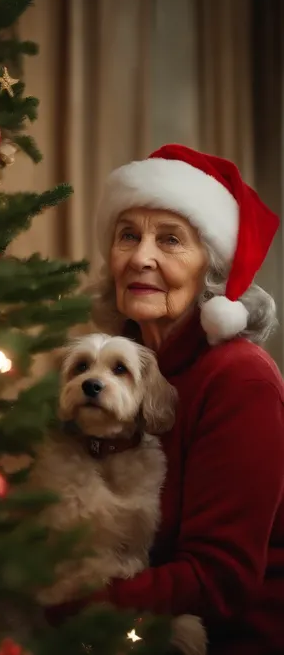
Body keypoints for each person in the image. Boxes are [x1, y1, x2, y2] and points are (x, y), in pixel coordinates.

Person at [47, 144, 284, 655]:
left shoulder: (240, 381)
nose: (140, 257)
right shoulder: (110, 366)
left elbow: (220, 577)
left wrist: (73, 604)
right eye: (127, 234)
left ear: (211, 271)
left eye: (170, 240)